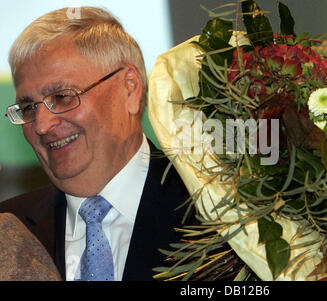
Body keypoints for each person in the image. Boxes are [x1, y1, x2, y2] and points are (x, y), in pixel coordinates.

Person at [0, 7, 190, 281]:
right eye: (28, 107)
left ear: (130, 89)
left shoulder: (218, 212)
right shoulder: (9, 229)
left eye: (63, 96)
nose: (41, 125)